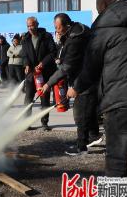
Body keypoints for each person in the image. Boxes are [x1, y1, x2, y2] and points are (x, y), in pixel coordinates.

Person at [67, 0, 127, 197]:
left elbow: (90, 68)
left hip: (121, 102)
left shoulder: (103, 29)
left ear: (103, 6)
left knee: (116, 155)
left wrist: (76, 88)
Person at [41, 13, 102, 156]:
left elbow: (67, 66)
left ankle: (81, 147)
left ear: (67, 25)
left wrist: (49, 84)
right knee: (89, 109)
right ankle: (94, 136)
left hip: (85, 79)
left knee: (80, 113)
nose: (56, 31)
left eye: (58, 28)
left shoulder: (75, 39)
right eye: (55, 28)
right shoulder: (77, 31)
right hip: (89, 77)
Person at [21, 16, 57, 131]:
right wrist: (26, 64)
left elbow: (53, 52)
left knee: (44, 98)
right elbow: (24, 55)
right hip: (31, 73)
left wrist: (43, 63)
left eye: (32, 25)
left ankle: (44, 123)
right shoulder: (25, 39)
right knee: (28, 98)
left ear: (37, 24)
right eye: (28, 26)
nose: (30, 28)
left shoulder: (47, 36)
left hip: (45, 72)